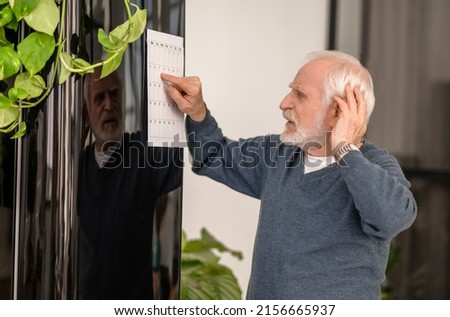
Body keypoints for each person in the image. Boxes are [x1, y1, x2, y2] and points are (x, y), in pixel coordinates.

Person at [161, 50, 417, 299]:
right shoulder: (279, 154)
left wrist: (345, 149)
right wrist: (197, 112)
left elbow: (392, 218)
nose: (284, 103)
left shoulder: (375, 165)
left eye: (300, 94)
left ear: (338, 113)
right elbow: (213, 155)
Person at [77, 68, 183, 299]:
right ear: (86, 113)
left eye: (114, 95)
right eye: (99, 98)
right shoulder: (76, 169)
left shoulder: (141, 152)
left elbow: (173, 146)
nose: (109, 105)